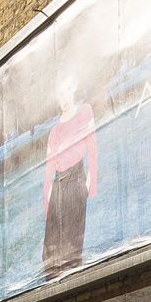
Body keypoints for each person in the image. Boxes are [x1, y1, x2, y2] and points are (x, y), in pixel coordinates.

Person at [42, 75, 100, 280]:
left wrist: (88, 187)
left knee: (72, 249)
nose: (63, 97)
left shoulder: (85, 111)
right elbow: (48, 172)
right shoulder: (54, 130)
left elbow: (93, 151)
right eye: (59, 93)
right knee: (51, 253)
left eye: (66, 90)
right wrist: (48, 207)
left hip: (76, 180)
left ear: (74, 87)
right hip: (58, 188)